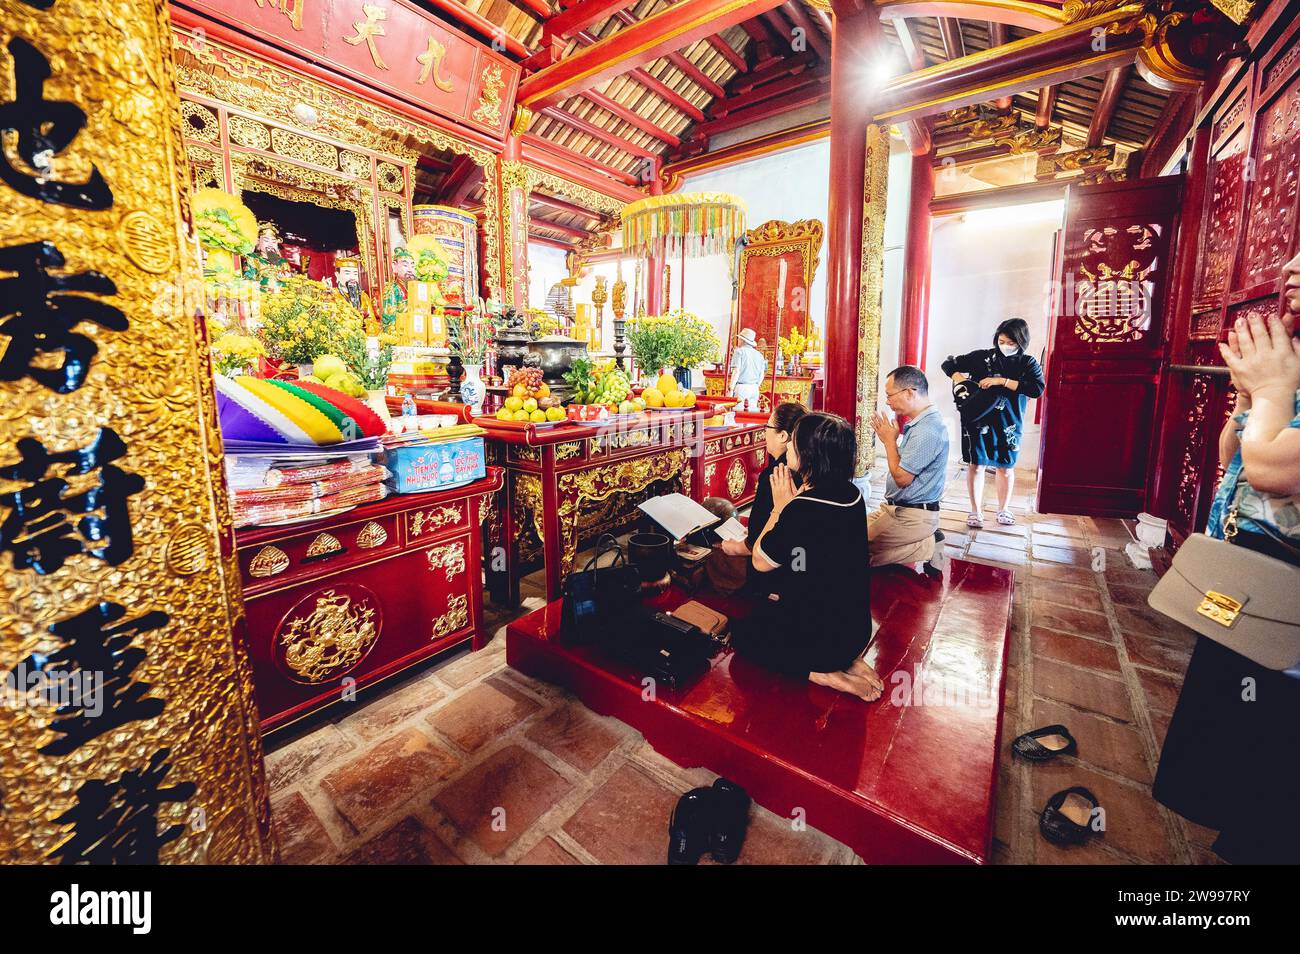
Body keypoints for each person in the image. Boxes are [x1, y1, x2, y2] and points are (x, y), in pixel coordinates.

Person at [1152, 276, 1300, 864]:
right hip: (1245, 571)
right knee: (1239, 699)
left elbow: (1272, 471)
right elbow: (1234, 458)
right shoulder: (1288, 366)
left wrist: (1270, 393)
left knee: (1274, 733)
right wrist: (1247, 402)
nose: (1291, 270)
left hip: (1284, 593)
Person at [731, 412, 881, 701]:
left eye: (794, 444)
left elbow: (760, 562)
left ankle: (822, 673)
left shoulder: (802, 507)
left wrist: (779, 510)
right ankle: (849, 660)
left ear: (808, 455)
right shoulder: (852, 495)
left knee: (744, 635)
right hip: (856, 631)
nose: (788, 448)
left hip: (818, 641)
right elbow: (811, 560)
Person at [941, 318, 1045, 528]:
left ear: (1021, 342)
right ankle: (975, 511)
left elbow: (1036, 389)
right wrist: (959, 378)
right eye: (1001, 340)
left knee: (1005, 467)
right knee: (976, 465)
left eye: (1011, 343)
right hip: (978, 419)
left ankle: (1003, 509)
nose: (1005, 345)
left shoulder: (1027, 363)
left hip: (1009, 422)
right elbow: (948, 364)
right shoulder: (982, 357)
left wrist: (1001, 381)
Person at [868, 365, 949, 571]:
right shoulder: (919, 423)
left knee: (850, 553)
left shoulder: (928, 430)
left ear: (909, 392)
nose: (887, 401)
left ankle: (927, 545)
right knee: (844, 535)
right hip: (895, 510)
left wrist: (888, 442)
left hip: (912, 516)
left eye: (890, 395)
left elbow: (902, 479)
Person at [729, 327, 767, 412]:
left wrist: (731, 388)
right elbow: (762, 374)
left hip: (742, 388)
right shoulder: (759, 355)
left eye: (739, 339)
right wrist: (756, 385)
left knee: (739, 415)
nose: (738, 340)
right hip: (754, 388)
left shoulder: (739, 352)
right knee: (751, 415)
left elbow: (736, 371)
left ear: (742, 340)